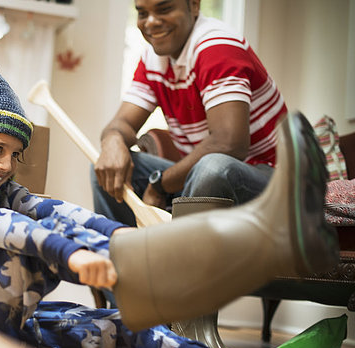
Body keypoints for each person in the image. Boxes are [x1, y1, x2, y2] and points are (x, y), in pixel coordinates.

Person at [0, 64, 342, 348]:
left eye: (15, 154)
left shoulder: (9, 192)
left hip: (7, 330)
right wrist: (71, 256)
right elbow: (0, 227)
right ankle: (212, 253)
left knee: (124, 328)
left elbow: (69, 214)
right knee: (37, 235)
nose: (6, 165)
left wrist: (132, 240)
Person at [92, 0, 288, 226]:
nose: (151, 22)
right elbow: (122, 123)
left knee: (213, 168)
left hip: (273, 179)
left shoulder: (217, 46)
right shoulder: (153, 59)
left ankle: (182, 259)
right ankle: (124, 252)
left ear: (194, 6)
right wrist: (113, 142)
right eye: (142, 13)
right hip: (207, 175)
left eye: (164, 9)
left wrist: (159, 185)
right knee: (106, 169)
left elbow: (229, 144)